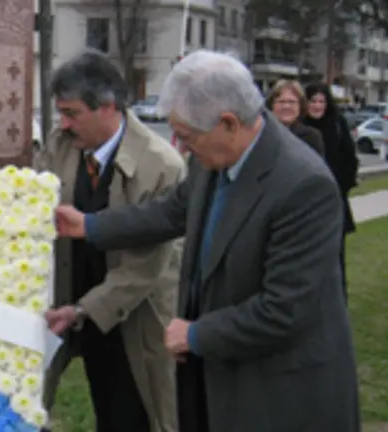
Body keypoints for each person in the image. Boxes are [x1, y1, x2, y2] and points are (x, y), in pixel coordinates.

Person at [53, 50, 360, 432]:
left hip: (279, 393)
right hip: (219, 374)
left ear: (228, 123)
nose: (181, 148)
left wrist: (197, 334)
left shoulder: (304, 186)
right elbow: (169, 213)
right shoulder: (215, 158)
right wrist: (89, 226)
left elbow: (284, 309)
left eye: (186, 137)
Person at [35, 50, 185, 432]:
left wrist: (84, 310)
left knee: (127, 416)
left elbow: (145, 268)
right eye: (61, 113)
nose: (64, 125)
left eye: (72, 113)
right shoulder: (60, 144)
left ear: (107, 107)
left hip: (131, 316)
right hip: (67, 305)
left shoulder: (162, 166)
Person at [302, 83, 359, 299]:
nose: (317, 106)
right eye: (313, 101)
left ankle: (337, 303)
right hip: (304, 203)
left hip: (333, 200)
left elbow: (350, 160)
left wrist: (338, 188)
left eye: (322, 101)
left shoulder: (337, 124)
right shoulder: (299, 127)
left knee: (335, 258)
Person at [266, 80, 325, 156]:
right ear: (272, 106)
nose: (286, 106)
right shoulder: (262, 135)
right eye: (281, 101)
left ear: (300, 106)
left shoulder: (312, 137)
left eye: (292, 102)